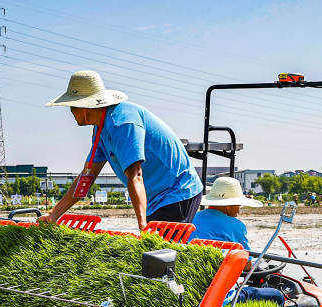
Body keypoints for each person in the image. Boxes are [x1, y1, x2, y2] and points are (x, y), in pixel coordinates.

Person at [41, 70, 202, 233]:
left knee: (160, 254)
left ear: (85, 105)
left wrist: (142, 226)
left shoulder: (123, 123)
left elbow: (135, 176)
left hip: (177, 192)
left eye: (72, 106)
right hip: (154, 198)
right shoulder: (100, 129)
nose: (71, 112)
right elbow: (87, 175)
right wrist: (54, 215)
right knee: (152, 253)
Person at [190, 176, 288, 306]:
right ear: (228, 206)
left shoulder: (194, 219)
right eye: (237, 205)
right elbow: (246, 266)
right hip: (221, 296)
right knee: (277, 295)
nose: (238, 209)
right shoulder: (235, 225)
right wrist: (257, 264)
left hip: (194, 290)